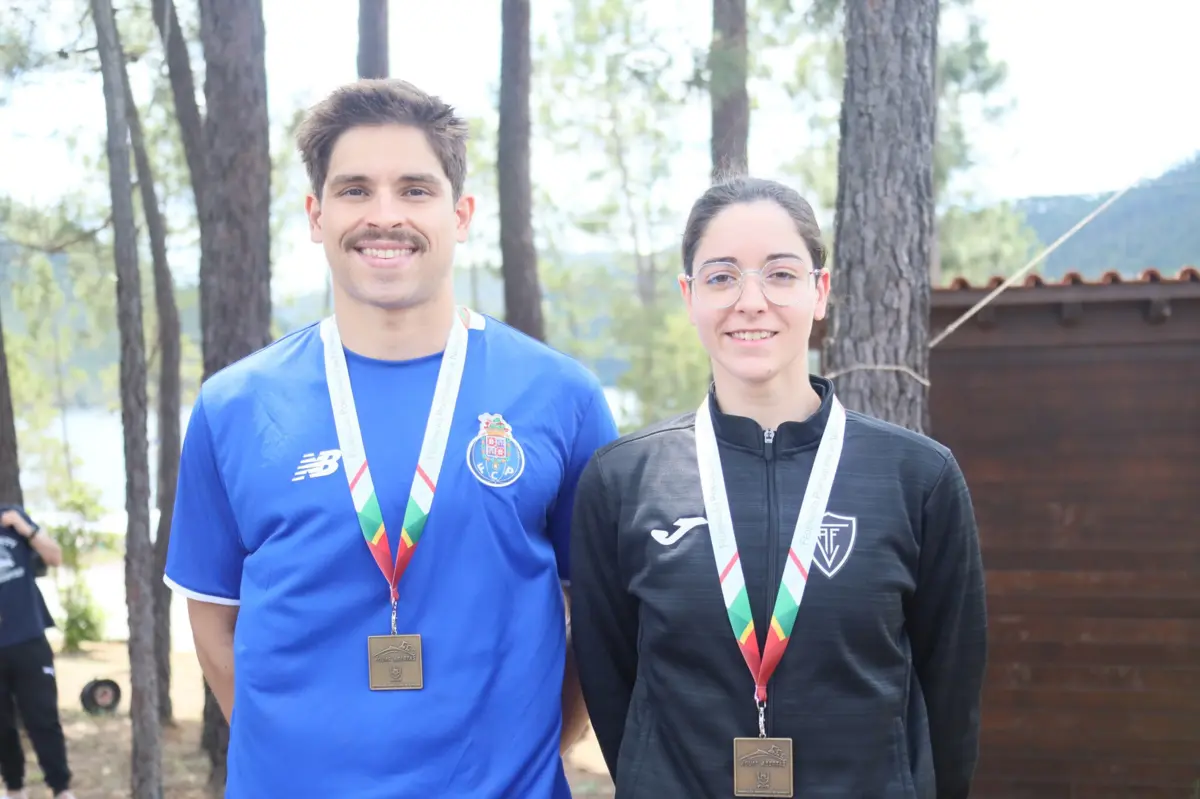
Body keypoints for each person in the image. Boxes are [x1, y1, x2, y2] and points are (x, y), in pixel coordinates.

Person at [162, 78, 618, 798]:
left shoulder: (560, 397)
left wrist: (525, 749)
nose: (383, 216)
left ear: (460, 212)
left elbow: (599, 619)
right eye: (353, 190)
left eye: (413, 189)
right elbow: (212, 622)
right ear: (315, 215)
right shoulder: (234, 406)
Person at [569, 176, 988, 798]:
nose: (750, 300)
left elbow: (950, 688)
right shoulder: (623, 479)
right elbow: (611, 682)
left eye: (781, 274)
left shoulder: (918, 477)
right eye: (721, 276)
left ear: (820, 292)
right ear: (690, 297)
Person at [0, 506, 74, 799]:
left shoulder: (11, 519)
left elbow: (54, 557)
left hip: (29, 641)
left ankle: (61, 789)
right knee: (2, 726)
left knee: (43, 719)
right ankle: (14, 788)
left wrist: (24, 527)